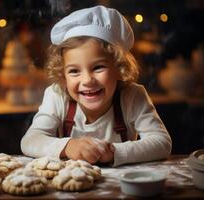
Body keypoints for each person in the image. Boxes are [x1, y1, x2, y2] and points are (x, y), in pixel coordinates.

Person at [21, 5, 172, 166]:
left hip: (122, 186)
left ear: (119, 68)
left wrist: (115, 151)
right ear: (62, 76)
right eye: (74, 71)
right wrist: (68, 146)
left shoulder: (133, 96)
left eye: (98, 67)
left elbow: (162, 142)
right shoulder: (57, 95)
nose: (87, 80)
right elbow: (30, 141)